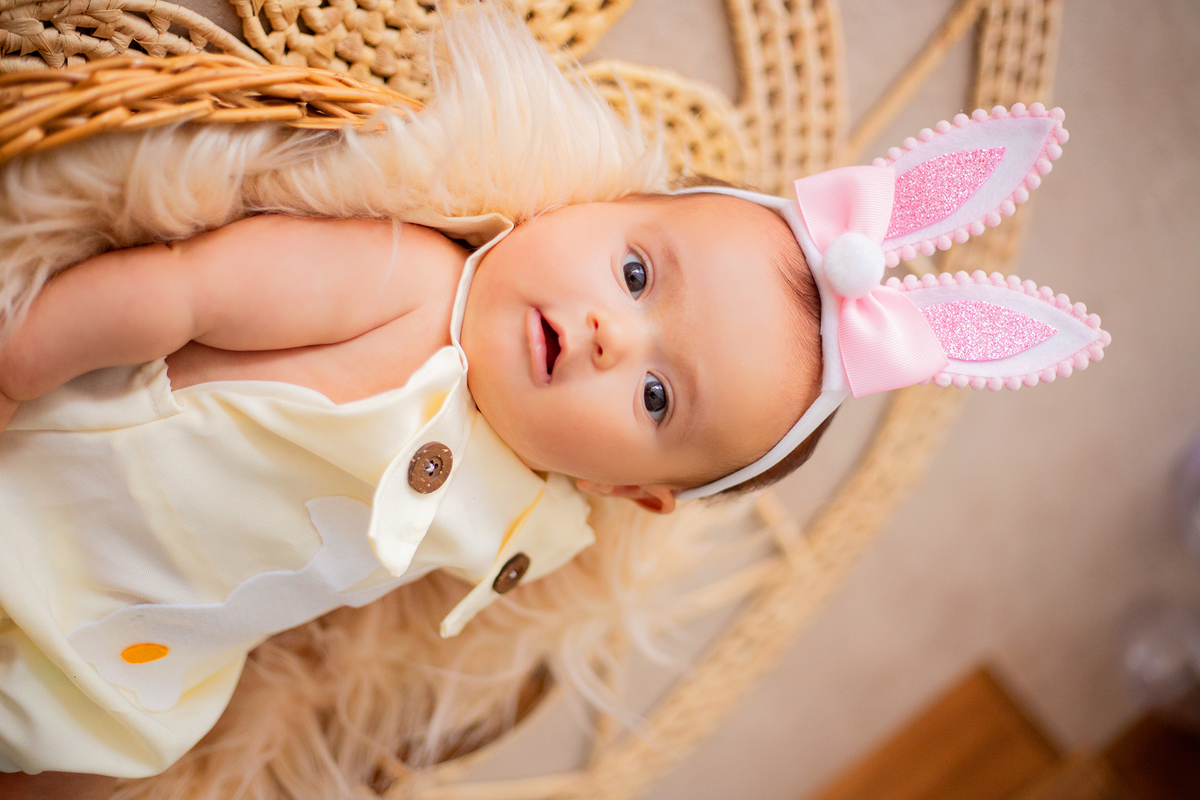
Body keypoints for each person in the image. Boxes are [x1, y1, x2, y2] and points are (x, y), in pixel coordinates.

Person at [0, 8, 1107, 791]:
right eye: (634, 271)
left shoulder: (539, 522)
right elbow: (179, 293)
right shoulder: (406, 280)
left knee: (100, 771)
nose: (608, 332)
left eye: (658, 395)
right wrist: (20, 364)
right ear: (592, 205)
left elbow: (370, 642)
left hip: (144, 659)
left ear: (626, 485)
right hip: (48, 508)